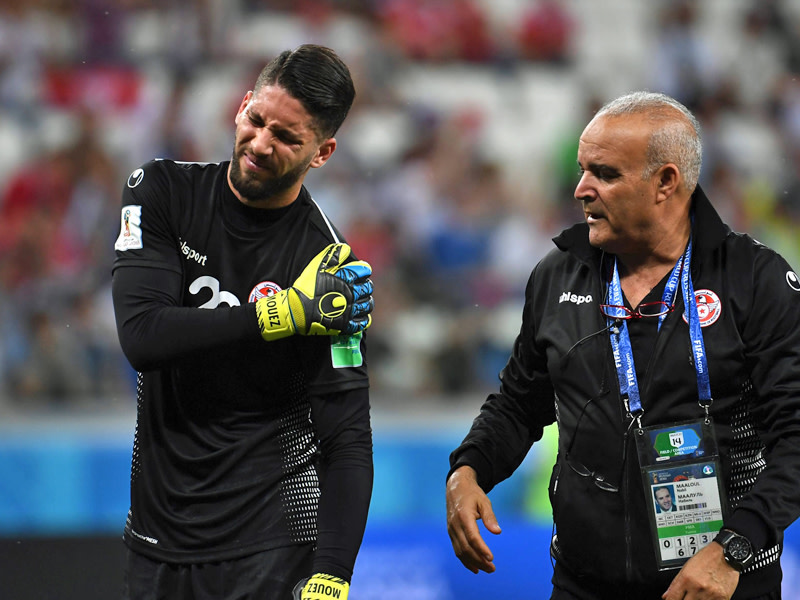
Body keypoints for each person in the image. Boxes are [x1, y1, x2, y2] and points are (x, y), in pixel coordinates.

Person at [445, 91, 800, 599]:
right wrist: (468, 469)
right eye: (582, 169)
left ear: (665, 182)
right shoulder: (557, 274)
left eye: (605, 174)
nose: (580, 189)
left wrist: (733, 550)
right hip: (582, 584)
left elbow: (796, 438)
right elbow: (519, 403)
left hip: (719, 585)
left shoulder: (754, 281)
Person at [112, 44, 374, 600]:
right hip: (156, 536)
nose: (260, 144)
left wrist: (333, 574)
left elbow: (346, 435)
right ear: (243, 104)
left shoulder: (329, 269)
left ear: (322, 152)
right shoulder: (160, 191)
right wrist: (284, 314)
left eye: (286, 137)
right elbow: (142, 336)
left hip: (270, 545)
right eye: (256, 120)